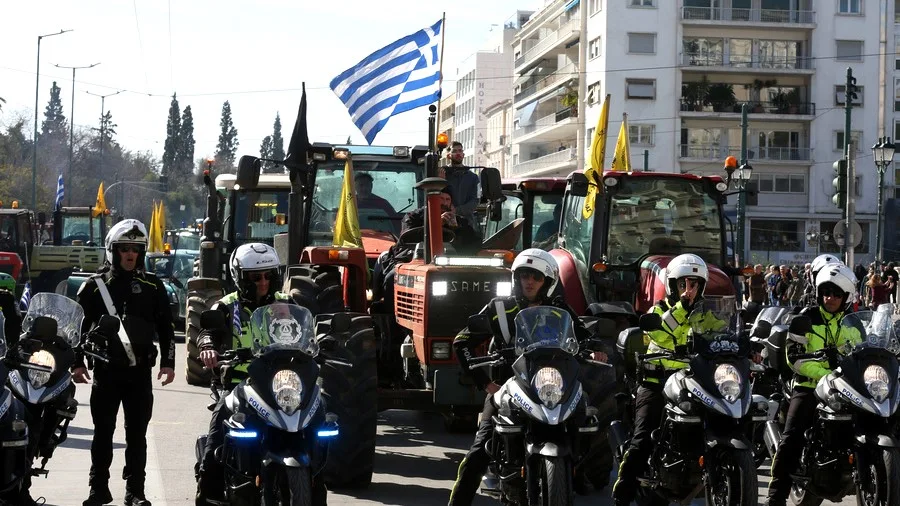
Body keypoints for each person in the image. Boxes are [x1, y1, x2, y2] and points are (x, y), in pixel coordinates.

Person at [448, 248, 605, 505]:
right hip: (509, 388)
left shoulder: (559, 309)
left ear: (548, 282)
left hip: (550, 386)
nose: (529, 281)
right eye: (524, 275)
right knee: (479, 451)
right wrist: (485, 384)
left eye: (536, 276)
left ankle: (576, 472)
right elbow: (462, 341)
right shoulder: (500, 308)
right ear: (516, 279)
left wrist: (597, 349)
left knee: (587, 417)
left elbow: (585, 336)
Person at [194, 243, 310, 505]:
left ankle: (316, 484)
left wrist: (321, 343)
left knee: (320, 425)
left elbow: (307, 330)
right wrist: (208, 346)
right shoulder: (226, 306)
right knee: (217, 440)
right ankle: (207, 491)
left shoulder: (287, 304)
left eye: (269, 276)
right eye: (255, 277)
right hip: (240, 385)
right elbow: (207, 332)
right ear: (240, 277)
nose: (263, 283)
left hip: (283, 386)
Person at [72, 219, 176, 506]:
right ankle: (98, 488)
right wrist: (77, 363)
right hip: (105, 372)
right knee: (103, 433)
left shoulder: (154, 286)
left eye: (136, 249)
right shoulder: (93, 287)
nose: (131, 254)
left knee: (137, 435)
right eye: (124, 248)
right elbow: (77, 327)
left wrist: (168, 363)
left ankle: (135, 492)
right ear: (112, 250)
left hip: (139, 372)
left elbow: (166, 327)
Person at [612, 253, 725, 506]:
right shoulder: (659, 310)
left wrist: (743, 345)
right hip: (657, 382)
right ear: (672, 285)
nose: (689, 289)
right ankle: (624, 491)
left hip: (693, 383)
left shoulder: (705, 316)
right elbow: (660, 335)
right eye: (683, 283)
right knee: (642, 438)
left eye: (694, 284)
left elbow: (723, 334)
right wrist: (683, 306)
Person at [765, 263, 861, 506]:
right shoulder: (806, 318)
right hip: (809, 387)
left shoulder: (854, 323)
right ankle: (775, 498)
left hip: (847, 389)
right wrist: (825, 375)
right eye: (826, 292)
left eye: (836, 293)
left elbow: (866, 351)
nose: (830, 298)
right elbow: (794, 358)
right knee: (792, 436)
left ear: (847, 296)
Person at [442, 141, 480, 231]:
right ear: (448, 155)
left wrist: (456, 210)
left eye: (460, 151)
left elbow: (475, 201)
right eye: (454, 151)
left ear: (463, 154)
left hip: (466, 224)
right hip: (444, 223)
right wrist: (441, 181)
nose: (458, 153)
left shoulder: (473, 177)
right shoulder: (442, 174)